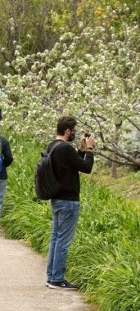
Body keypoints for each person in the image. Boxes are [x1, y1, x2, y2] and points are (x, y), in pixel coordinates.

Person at [45, 116, 95, 289]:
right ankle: (57, 278)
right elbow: (86, 168)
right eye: (73, 130)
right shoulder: (65, 148)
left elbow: (72, 165)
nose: (74, 133)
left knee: (56, 238)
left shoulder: (53, 146)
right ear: (67, 131)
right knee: (63, 241)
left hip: (57, 198)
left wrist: (80, 151)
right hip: (68, 200)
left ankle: (52, 276)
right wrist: (90, 149)